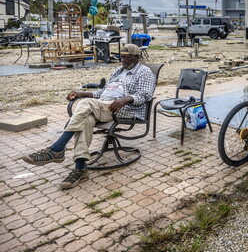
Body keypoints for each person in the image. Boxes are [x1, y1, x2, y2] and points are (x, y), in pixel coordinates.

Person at [22, 44, 156, 189]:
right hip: (101, 106)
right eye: (121, 56)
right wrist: (81, 93)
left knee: (86, 104)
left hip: (123, 109)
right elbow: (102, 92)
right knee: (85, 119)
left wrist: (127, 98)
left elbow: (146, 94)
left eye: (126, 57)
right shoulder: (118, 71)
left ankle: (57, 149)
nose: (122, 60)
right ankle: (80, 168)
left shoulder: (144, 72)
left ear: (136, 57)